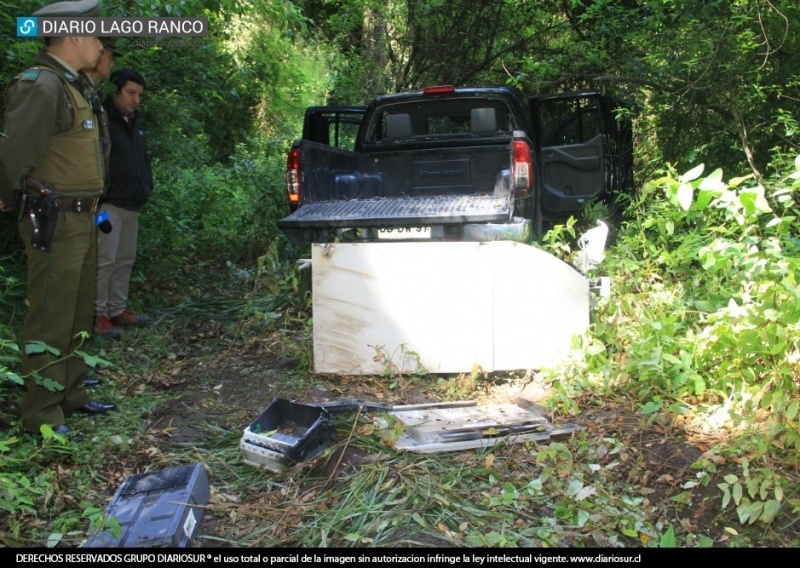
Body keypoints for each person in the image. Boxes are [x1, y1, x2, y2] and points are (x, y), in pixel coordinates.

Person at [0, 0, 117, 437]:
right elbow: (15, 153)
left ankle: (70, 392)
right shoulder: (42, 84)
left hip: (82, 218)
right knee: (52, 313)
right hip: (55, 219)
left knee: (77, 311)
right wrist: (7, 196)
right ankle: (41, 413)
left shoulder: (74, 85)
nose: (101, 44)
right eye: (97, 36)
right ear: (75, 37)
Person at [93, 68, 153, 338]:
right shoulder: (102, 120)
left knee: (125, 259)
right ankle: (98, 315)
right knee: (103, 259)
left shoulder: (135, 124)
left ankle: (117, 310)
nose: (135, 100)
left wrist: (146, 184)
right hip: (106, 205)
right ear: (116, 92)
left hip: (132, 204)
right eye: (130, 93)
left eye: (139, 95)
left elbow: (143, 160)